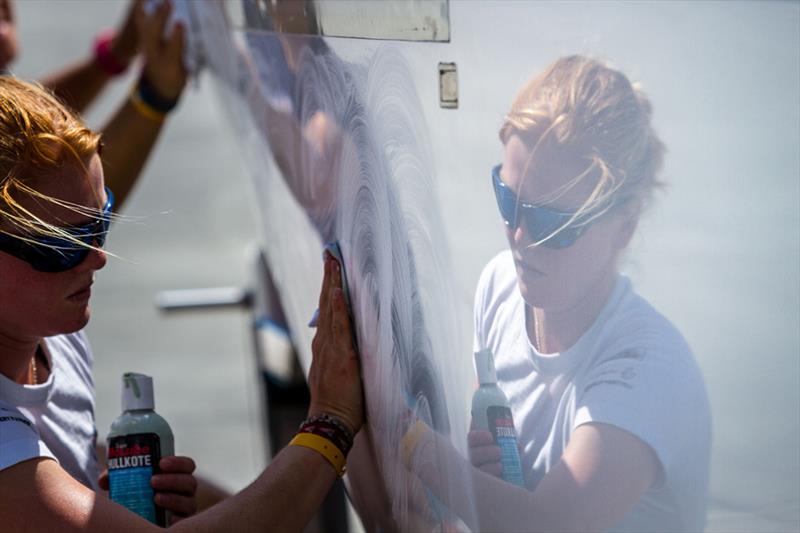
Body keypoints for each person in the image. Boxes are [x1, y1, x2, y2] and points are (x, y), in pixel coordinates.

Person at [0, 76, 363, 531]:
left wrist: (106, 496)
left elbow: (53, 459)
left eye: (101, 221)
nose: (97, 258)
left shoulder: (55, 335)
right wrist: (331, 423)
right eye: (61, 246)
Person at [404, 55, 711, 532]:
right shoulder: (499, 287)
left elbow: (542, 524)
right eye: (508, 201)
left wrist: (409, 441)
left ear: (623, 228)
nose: (520, 236)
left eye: (551, 222)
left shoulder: (648, 371)